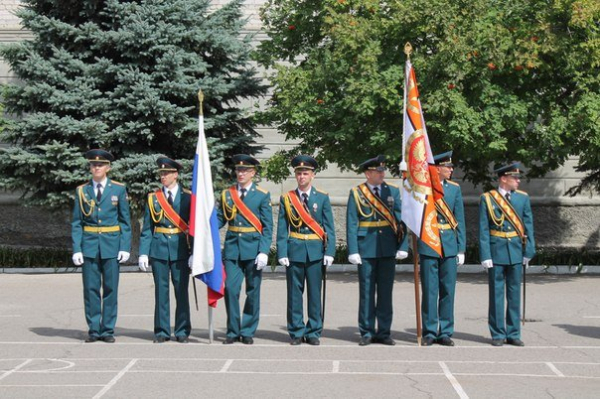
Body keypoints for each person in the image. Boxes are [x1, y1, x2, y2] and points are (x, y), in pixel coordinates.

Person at [346, 155, 407, 346]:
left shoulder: (392, 191)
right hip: (366, 247)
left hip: (387, 247)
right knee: (366, 291)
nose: (382, 174)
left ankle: (384, 332)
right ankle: (366, 331)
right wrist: (353, 250)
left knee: (386, 292)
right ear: (368, 173)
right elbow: (352, 223)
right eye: (378, 171)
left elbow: (401, 220)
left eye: (382, 171)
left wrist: (403, 246)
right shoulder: (357, 193)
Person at [71, 149, 131, 343]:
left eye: (100, 165)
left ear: (108, 167)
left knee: (111, 289)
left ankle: (108, 330)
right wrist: (77, 249)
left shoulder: (118, 189)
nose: (96, 167)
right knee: (91, 289)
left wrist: (124, 247)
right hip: (89, 246)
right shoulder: (82, 190)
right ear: (90, 167)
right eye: (93, 165)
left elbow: (125, 221)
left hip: (111, 245)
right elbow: (76, 222)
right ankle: (94, 329)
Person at [277, 155, 336, 346]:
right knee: (294, 294)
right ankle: (295, 331)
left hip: (315, 251)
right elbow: (282, 227)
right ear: (295, 175)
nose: (302, 176)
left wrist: (330, 252)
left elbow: (329, 227)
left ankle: (313, 331)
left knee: (314, 294)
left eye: (306, 173)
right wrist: (282, 252)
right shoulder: (287, 198)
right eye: (299, 173)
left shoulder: (322, 198)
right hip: (294, 249)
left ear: (313, 175)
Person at [217, 154, 273, 345]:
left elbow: (267, 225)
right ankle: (233, 331)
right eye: (238, 170)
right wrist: (204, 226)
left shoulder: (262, 195)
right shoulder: (227, 194)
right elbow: (220, 219)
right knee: (231, 289)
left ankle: (247, 330)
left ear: (253, 173)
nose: (240, 173)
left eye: (245, 170)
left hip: (253, 249)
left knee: (253, 291)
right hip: (233, 249)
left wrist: (264, 251)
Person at [479, 162, 535, 347]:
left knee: (514, 293)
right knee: (496, 294)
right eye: (515, 178)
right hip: (496, 251)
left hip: (516, 252)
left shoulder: (522, 198)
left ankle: (513, 333)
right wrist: (485, 255)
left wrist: (529, 250)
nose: (518, 181)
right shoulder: (488, 198)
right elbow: (484, 229)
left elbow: (529, 226)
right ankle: (497, 333)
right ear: (504, 179)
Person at [139, 157, 192, 343]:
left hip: (181, 249)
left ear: (176, 175)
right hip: (159, 248)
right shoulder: (153, 198)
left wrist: (193, 252)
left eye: (167, 173)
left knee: (181, 291)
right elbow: (147, 228)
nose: (163, 176)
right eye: (161, 173)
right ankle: (161, 331)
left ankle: (182, 330)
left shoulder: (188, 197)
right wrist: (143, 252)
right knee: (161, 292)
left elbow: (193, 227)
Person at [417, 151, 466, 346]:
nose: (451, 169)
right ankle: (429, 331)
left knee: (448, 290)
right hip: (429, 243)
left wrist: (461, 248)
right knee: (430, 290)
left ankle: (445, 331)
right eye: (448, 166)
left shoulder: (454, 189)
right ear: (437, 168)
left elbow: (459, 219)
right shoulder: (422, 189)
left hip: (449, 245)